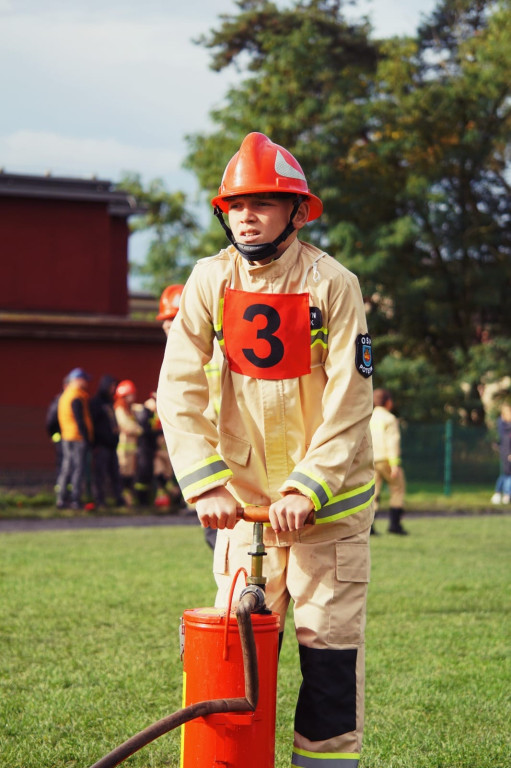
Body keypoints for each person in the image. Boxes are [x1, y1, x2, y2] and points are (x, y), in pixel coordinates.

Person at [157, 132, 375, 768]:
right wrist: (206, 485)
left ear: (297, 211)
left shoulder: (335, 284)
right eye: (237, 205)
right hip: (245, 513)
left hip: (327, 519)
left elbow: (350, 399)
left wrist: (309, 486)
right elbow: (178, 387)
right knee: (231, 664)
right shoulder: (208, 281)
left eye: (264, 203)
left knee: (328, 664)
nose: (247, 216)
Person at [157, 283, 219, 537]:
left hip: (223, 448)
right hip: (202, 448)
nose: (167, 325)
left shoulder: (215, 351)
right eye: (166, 319)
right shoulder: (179, 356)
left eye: (174, 317)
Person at [370, 388, 408, 535]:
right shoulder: (389, 419)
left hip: (371, 460)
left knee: (373, 492)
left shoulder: (369, 417)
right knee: (397, 488)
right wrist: (394, 465)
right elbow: (392, 442)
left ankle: (370, 527)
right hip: (386, 459)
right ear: (388, 402)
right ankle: (395, 525)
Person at [55, 368, 94, 510]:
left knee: (66, 468)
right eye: (84, 380)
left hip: (67, 436)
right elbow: (80, 419)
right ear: (77, 380)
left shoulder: (65, 395)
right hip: (77, 437)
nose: (86, 383)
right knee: (77, 468)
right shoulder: (76, 396)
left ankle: (61, 498)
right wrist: (87, 438)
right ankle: (75, 499)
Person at [89, 374, 124, 510]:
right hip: (101, 446)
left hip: (112, 445)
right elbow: (94, 425)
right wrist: (97, 441)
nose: (114, 389)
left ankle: (118, 499)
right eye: (112, 386)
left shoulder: (110, 403)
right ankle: (100, 501)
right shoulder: (96, 403)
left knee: (115, 474)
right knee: (100, 475)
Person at [114, 379, 143, 507]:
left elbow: (140, 409)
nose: (133, 396)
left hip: (131, 449)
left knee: (130, 474)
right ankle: (124, 499)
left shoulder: (130, 408)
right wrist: (139, 429)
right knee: (124, 473)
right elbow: (126, 425)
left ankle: (129, 499)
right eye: (131, 394)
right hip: (123, 449)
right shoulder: (120, 408)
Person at [490, 402, 511, 504]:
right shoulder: (504, 427)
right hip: (507, 453)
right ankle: (506, 495)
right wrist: (508, 454)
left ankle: (499, 493)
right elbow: (505, 442)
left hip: (507, 452)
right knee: (508, 474)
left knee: (506, 474)